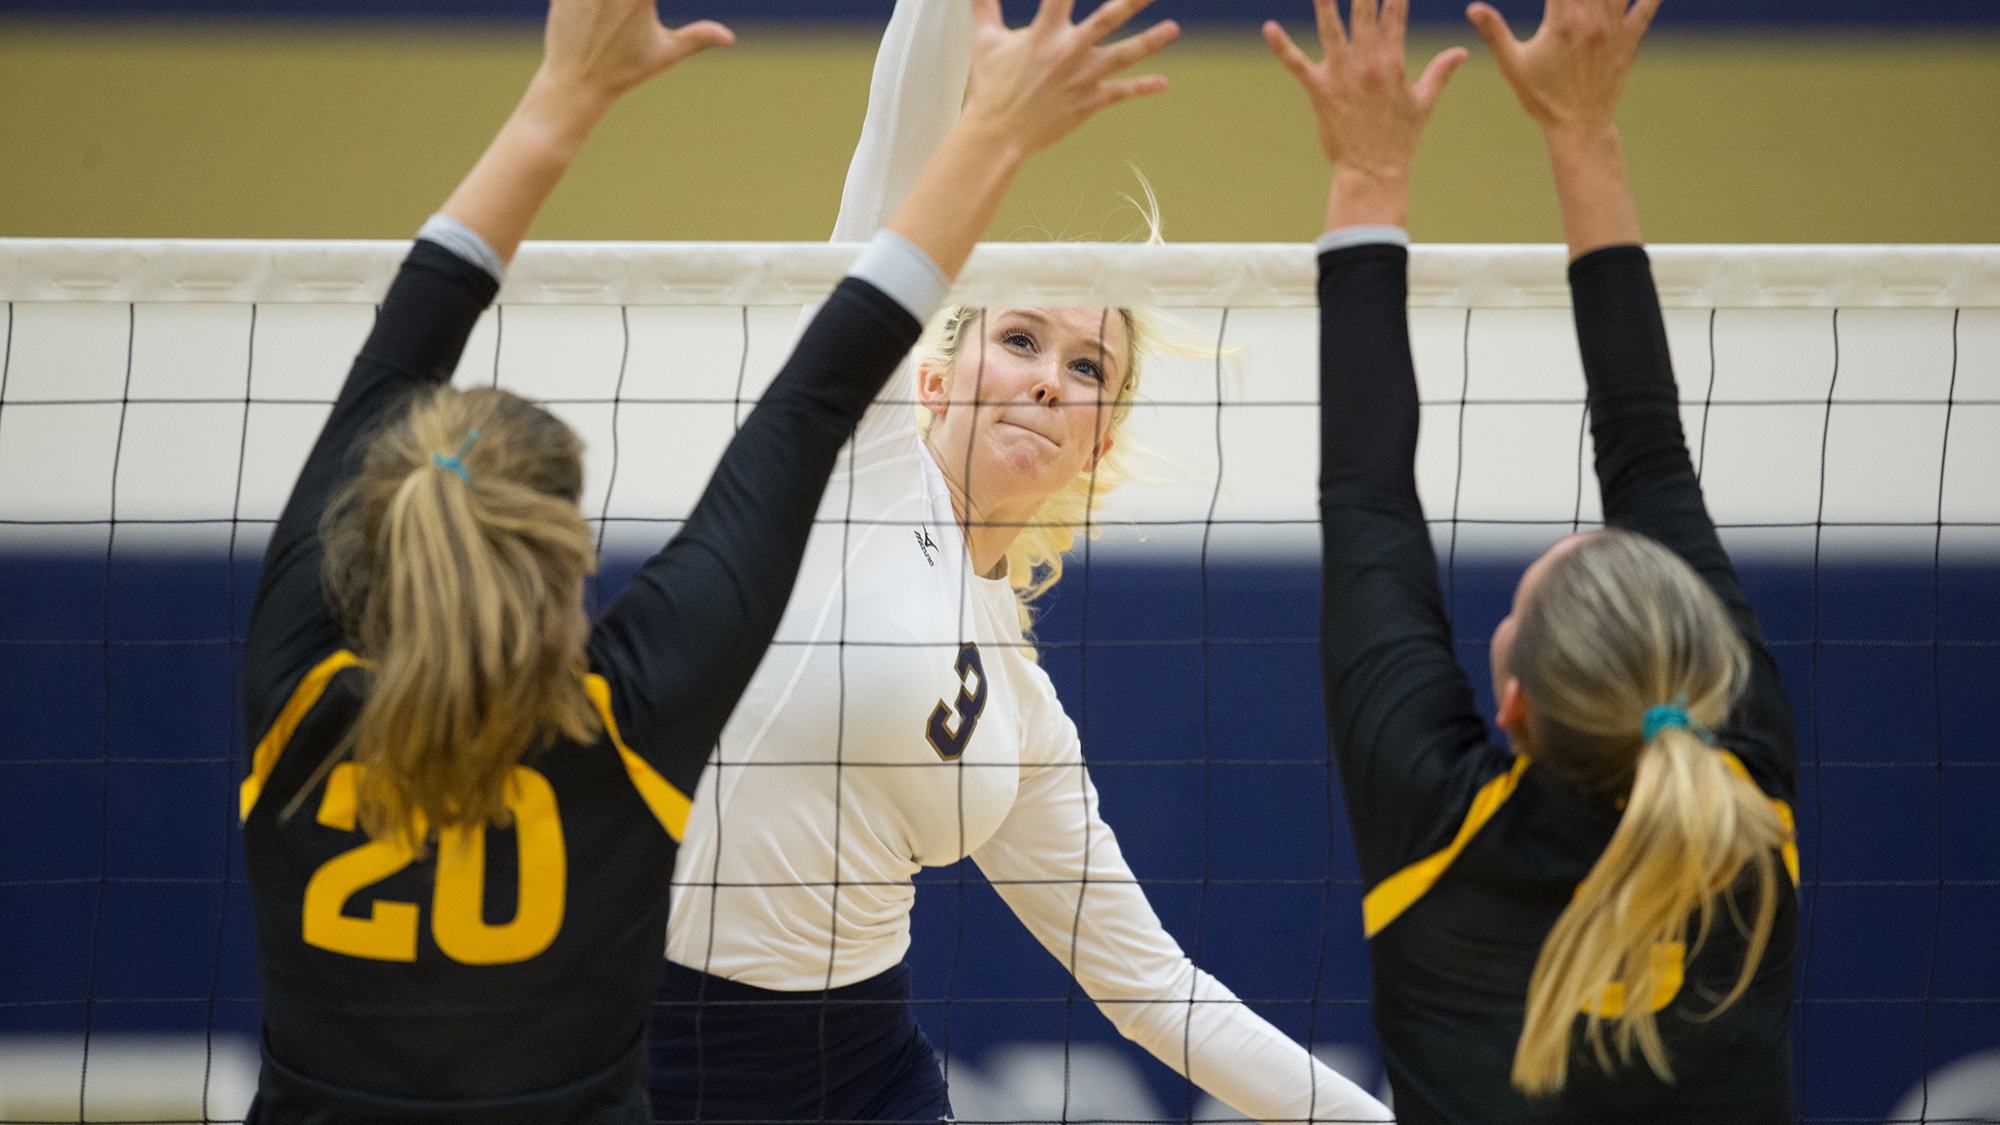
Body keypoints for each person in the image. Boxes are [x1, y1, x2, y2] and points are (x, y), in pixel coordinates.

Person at [235, 0, 991, 1115]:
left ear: (368, 535)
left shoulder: (293, 704)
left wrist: (560, 100)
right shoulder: (625, 732)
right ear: (568, 557)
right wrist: (1000, 123)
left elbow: (813, 399)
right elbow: (815, 401)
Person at [651, 0, 1392, 1122]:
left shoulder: (1025, 718)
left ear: (1099, 439)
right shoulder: (856, 460)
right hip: (643, 1045)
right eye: (1019, 339)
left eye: (1089, 368)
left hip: (857, 1078)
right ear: (934, 380)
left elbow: (1157, 996)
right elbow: (895, 156)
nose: (1052, 378)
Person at [1269, 0, 1801, 1120]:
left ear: (1508, 704)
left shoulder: (1443, 830)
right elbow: (1641, 452)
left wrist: (1372, 168)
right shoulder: (1742, 806)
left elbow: (1371, 490)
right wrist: (1578, 130)